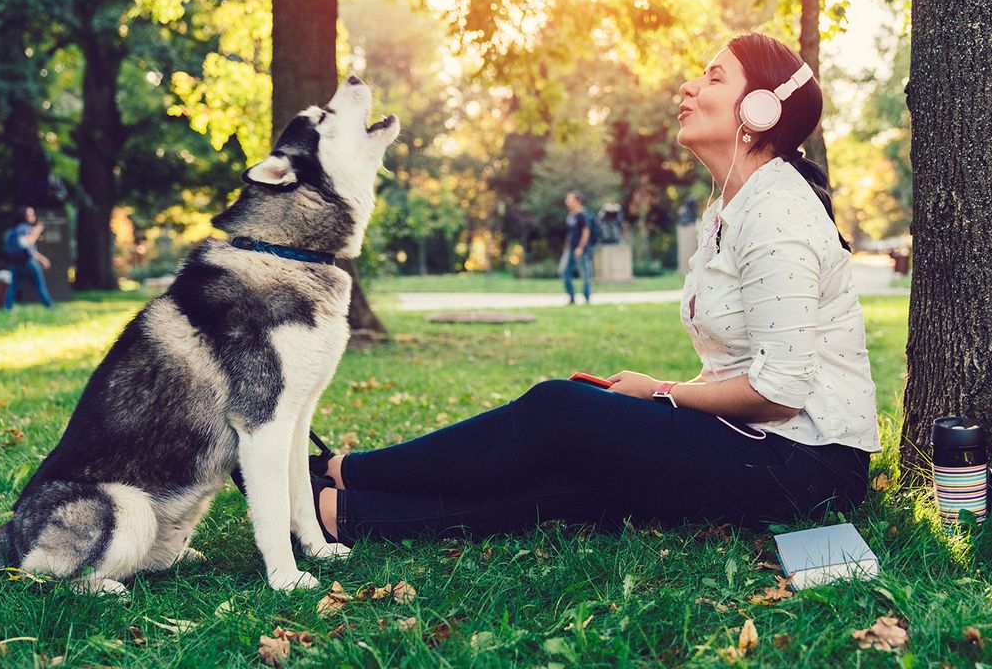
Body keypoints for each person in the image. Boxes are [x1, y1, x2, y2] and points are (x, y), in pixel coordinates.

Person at [309, 33, 880, 544]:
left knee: (558, 408)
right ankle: (342, 513)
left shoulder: (779, 213)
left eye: (713, 76)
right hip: (756, 441)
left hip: (806, 464)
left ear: (759, 109)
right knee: (584, 481)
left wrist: (663, 393)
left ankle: (346, 471)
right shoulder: (730, 207)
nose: (688, 85)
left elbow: (778, 392)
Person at [4, 206, 54, 310]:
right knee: (39, 285)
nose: (33, 216)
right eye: (30, 214)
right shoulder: (25, 228)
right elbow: (27, 243)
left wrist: (41, 259)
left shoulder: (14, 230)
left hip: (15, 262)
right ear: (24, 216)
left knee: (14, 286)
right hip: (28, 261)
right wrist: (37, 231)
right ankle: (49, 306)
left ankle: (7, 308)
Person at [559, 191, 594, 304]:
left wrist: (580, 247)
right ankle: (571, 296)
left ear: (577, 201)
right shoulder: (570, 216)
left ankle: (587, 298)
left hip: (581, 250)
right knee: (563, 271)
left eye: (570, 200)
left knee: (585, 274)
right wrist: (566, 247)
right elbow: (570, 234)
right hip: (570, 249)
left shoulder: (583, 215)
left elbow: (586, 231)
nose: (567, 202)